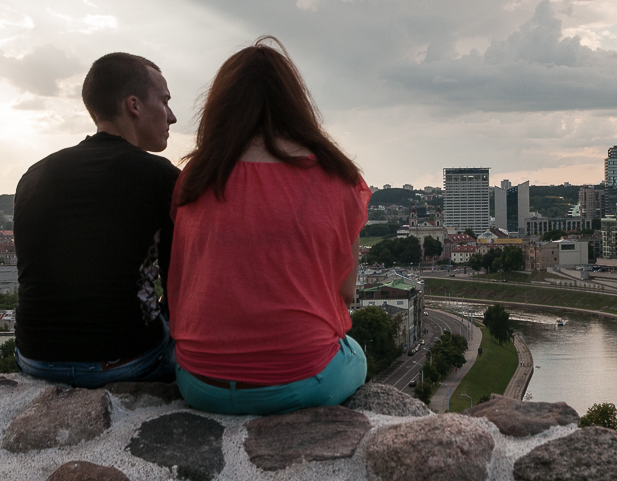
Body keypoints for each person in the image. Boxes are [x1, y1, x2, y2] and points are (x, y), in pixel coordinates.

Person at [168, 38, 369, 415]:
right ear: (295, 102)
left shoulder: (195, 176)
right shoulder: (336, 176)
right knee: (355, 354)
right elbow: (345, 294)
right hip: (299, 383)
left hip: (199, 382)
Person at [14, 53, 179, 387]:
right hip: (125, 361)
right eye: (164, 101)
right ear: (133, 105)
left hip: (35, 358)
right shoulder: (161, 177)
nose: (172, 117)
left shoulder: (34, 175)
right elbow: (180, 285)